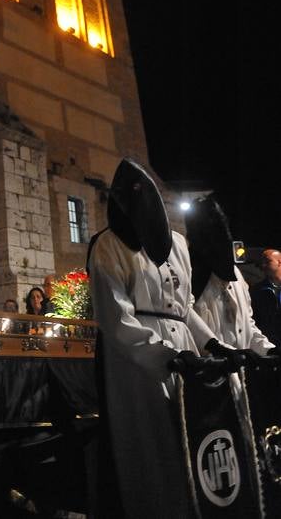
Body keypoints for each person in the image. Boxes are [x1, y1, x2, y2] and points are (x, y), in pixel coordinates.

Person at [88, 158, 221, 519]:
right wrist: (164, 355)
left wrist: (211, 343)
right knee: (152, 445)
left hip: (186, 354)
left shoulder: (177, 244)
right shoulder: (108, 246)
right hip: (136, 363)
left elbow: (185, 306)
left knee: (191, 439)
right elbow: (116, 319)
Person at [186, 196, 275, 356]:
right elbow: (184, 323)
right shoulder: (189, 274)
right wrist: (219, 350)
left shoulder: (235, 275)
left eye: (219, 224)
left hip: (237, 376)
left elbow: (247, 323)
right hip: (205, 373)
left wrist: (267, 349)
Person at [250, 248, 281, 348]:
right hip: (270, 347)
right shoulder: (256, 291)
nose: (263, 265)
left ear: (279, 262)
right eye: (262, 262)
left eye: (267, 261)